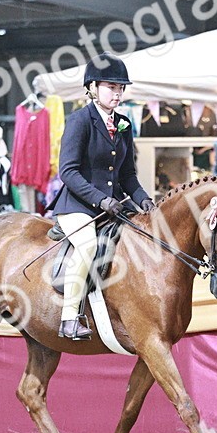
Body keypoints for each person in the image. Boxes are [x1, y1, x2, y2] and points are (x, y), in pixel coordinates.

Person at [52, 53, 155, 341]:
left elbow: (128, 175)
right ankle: (69, 317)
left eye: (121, 88)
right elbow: (68, 172)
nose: (118, 93)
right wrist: (101, 200)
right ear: (93, 88)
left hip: (113, 207)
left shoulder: (123, 124)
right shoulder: (79, 121)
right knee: (86, 246)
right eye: (112, 87)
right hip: (77, 206)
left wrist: (144, 200)